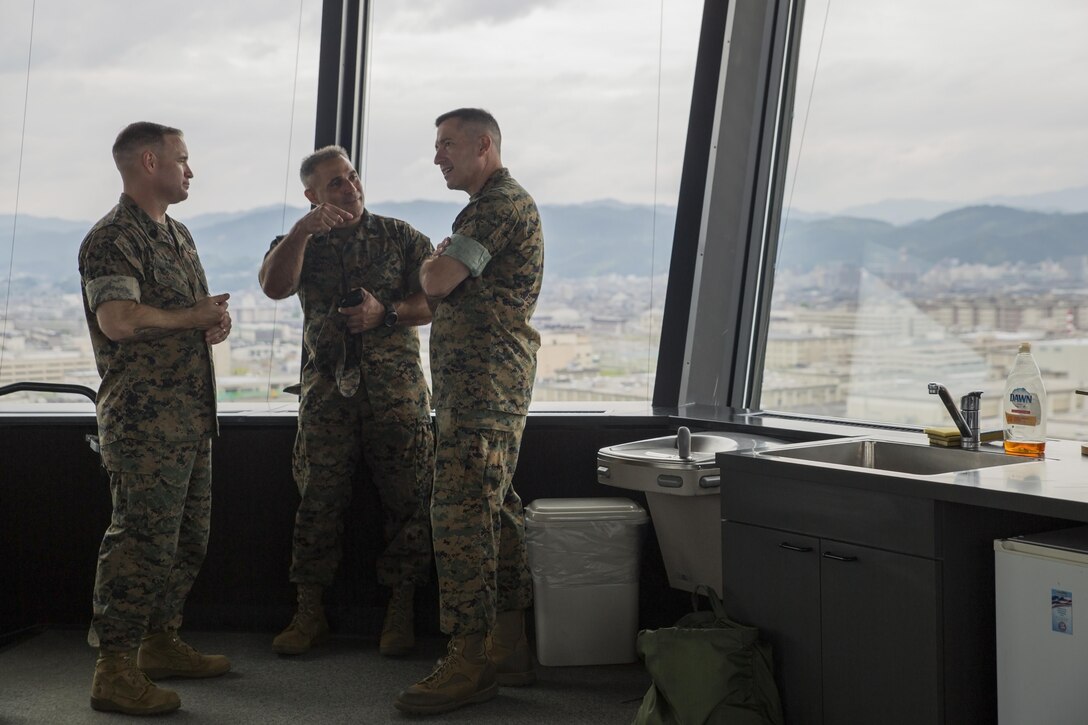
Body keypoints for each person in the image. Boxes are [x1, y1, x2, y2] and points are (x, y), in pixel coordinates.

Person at [79, 122, 233, 716]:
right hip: (144, 422)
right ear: (149, 162)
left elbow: (185, 314)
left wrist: (210, 323)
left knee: (185, 541)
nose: (190, 170)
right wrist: (190, 317)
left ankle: (159, 642)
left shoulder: (179, 234)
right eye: (183, 160)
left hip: (189, 417)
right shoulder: (113, 238)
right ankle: (114, 669)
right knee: (141, 541)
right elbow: (118, 319)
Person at [259, 146, 435, 659]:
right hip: (327, 396)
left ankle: (401, 610)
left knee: (408, 501)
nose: (350, 187)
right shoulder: (298, 243)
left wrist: (389, 313)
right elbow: (274, 286)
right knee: (317, 502)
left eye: (353, 177)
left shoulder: (400, 237)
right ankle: (309, 610)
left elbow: (438, 300)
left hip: (396, 394)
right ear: (312, 195)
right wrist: (301, 232)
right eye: (335, 183)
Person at [395, 108, 544, 715]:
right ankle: (506, 645)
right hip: (486, 390)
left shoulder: (495, 205)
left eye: (447, 145)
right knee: (495, 513)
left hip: (483, 392)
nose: (438, 157)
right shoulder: (495, 205)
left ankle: (469, 661)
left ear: (484, 145)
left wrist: (435, 264)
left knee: (459, 517)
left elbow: (437, 278)